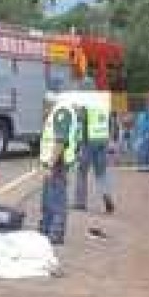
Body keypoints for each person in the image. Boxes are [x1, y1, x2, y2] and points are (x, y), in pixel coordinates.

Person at [39, 96, 80, 245]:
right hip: (55, 162)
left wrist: (50, 164)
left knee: (56, 199)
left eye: (45, 105)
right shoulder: (59, 111)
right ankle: (46, 228)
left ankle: (55, 233)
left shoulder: (62, 112)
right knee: (49, 198)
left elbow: (60, 141)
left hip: (58, 162)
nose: (44, 109)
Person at [74, 85, 115, 214]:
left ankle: (80, 203)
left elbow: (81, 122)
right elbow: (110, 122)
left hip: (88, 142)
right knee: (101, 174)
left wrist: (77, 144)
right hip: (102, 141)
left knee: (81, 172)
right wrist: (109, 140)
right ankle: (107, 197)